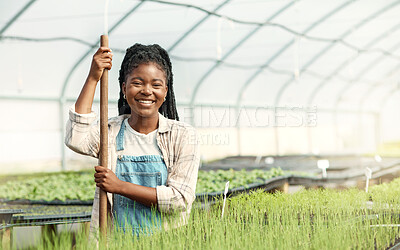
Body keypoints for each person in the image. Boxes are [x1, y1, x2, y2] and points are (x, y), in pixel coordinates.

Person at [65, 43, 200, 236]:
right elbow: (76, 138)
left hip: (167, 241)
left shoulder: (183, 136)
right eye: (137, 83)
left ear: (166, 91)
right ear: (124, 88)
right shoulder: (109, 132)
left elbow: (179, 200)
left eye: (156, 85)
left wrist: (119, 186)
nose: (146, 91)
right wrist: (94, 77)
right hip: (115, 241)